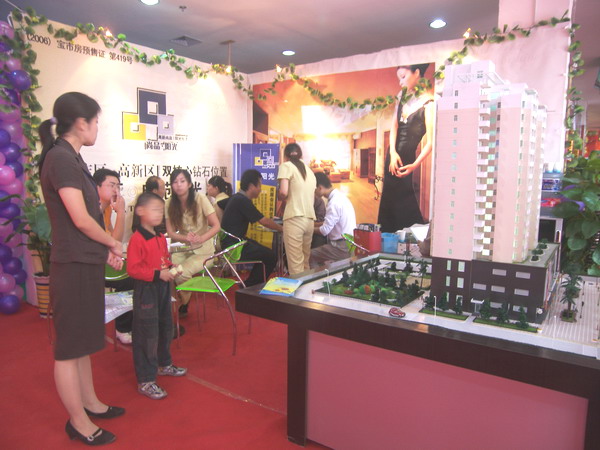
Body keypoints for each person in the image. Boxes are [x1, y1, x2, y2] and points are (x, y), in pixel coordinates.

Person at [39, 92, 124, 446]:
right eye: (96, 122)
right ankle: (77, 421)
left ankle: (90, 403)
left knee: (85, 341)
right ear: (80, 122)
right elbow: (80, 219)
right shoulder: (60, 158)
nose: (97, 128)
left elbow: (87, 220)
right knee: (70, 348)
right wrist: (113, 244)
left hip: (85, 261)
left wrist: (102, 250)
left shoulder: (73, 158)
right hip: (71, 265)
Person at [127, 192, 187, 400]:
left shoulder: (160, 236)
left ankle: (164, 363)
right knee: (147, 333)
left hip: (162, 288)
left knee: (165, 326)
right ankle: (146, 380)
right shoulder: (137, 239)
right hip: (147, 290)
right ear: (140, 211)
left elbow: (163, 259)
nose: (159, 214)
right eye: (155, 210)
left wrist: (171, 266)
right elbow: (133, 269)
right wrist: (157, 274)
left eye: (161, 210)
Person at [377, 63, 435, 232]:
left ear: (416, 73)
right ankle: (386, 236)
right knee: (388, 199)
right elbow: (394, 127)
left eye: (403, 77)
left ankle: (411, 238)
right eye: (399, 78)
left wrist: (414, 165)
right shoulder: (401, 96)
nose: (400, 82)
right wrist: (392, 152)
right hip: (392, 156)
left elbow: (431, 142)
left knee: (403, 200)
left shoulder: (429, 103)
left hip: (408, 160)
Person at [165, 169, 220, 316]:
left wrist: (201, 238)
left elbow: (216, 226)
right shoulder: (169, 203)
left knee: (181, 274)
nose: (178, 185)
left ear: (189, 184)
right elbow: (171, 232)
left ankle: (184, 302)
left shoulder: (200, 199)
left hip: (204, 251)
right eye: (175, 182)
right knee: (169, 272)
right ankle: (174, 304)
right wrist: (185, 238)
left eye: (182, 181)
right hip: (182, 249)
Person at [220, 169, 283, 286]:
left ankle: (249, 284)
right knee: (270, 256)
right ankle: (250, 286)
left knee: (265, 252)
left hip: (232, 242)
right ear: (251, 186)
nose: (260, 189)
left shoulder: (236, 197)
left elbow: (219, 204)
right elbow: (264, 221)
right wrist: (283, 229)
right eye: (259, 185)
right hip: (235, 247)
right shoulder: (242, 200)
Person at [93, 168, 133, 345]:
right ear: (96, 187)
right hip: (92, 265)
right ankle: (122, 328)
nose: (116, 190)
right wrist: (121, 212)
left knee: (137, 274)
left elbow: (113, 241)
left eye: (118, 186)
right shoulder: (90, 210)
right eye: (111, 185)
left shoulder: (107, 208)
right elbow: (114, 241)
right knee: (130, 280)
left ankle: (128, 325)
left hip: (106, 260)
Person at [277, 143, 317, 275]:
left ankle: (298, 288)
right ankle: (308, 288)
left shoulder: (286, 166)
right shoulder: (309, 171)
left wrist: (279, 197)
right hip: (309, 221)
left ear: (285, 156)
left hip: (294, 220)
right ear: (300, 155)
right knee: (305, 263)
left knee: (295, 266)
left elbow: (283, 192)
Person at [310, 173, 357, 268]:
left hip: (342, 247)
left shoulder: (333, 203)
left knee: (309, 255)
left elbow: (324, 230)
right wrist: (312, 224)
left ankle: (318, 276)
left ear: (320, 188)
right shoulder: (339, 197)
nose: (313, 193)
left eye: (313, 190)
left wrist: (307, 229)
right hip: (349, 242)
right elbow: (330, 223)